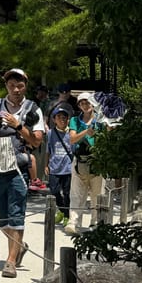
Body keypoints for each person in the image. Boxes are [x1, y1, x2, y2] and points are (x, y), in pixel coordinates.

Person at [0, 68, 45, 278]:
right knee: (1, 219)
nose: (15, 89)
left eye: (19, 85)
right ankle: (19, 247)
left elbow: (37, 140)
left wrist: (17, 125)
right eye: (11, 85)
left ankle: (10, 261)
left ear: (25, 86)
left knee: (17, 215)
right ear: (6, 86)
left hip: (18, 169)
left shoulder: (33, 109)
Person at [65, 92, 104, 236]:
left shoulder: (100, 119)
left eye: (87, 102)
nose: (85, 105)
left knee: (97, 194)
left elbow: (109, 134)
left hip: (97, 160)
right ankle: (73, 222)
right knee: (76, 194)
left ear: (93, 103)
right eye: (81, 103)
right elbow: (72, 138)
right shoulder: (75, 120)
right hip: (79, 160)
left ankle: (96, 222)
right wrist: (87, 132)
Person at [44, 102, 74, 225]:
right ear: (54, 119)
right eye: (59, 117)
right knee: (54, 191)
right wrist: (46, 165)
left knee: (67, 193)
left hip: (68, 168)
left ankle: (66, 215)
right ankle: (62, 210)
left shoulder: (71, 133)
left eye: (64, 117)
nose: (62, 120)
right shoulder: (50, 133)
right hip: (54, 167)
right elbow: (48, 150)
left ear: (68, 119)